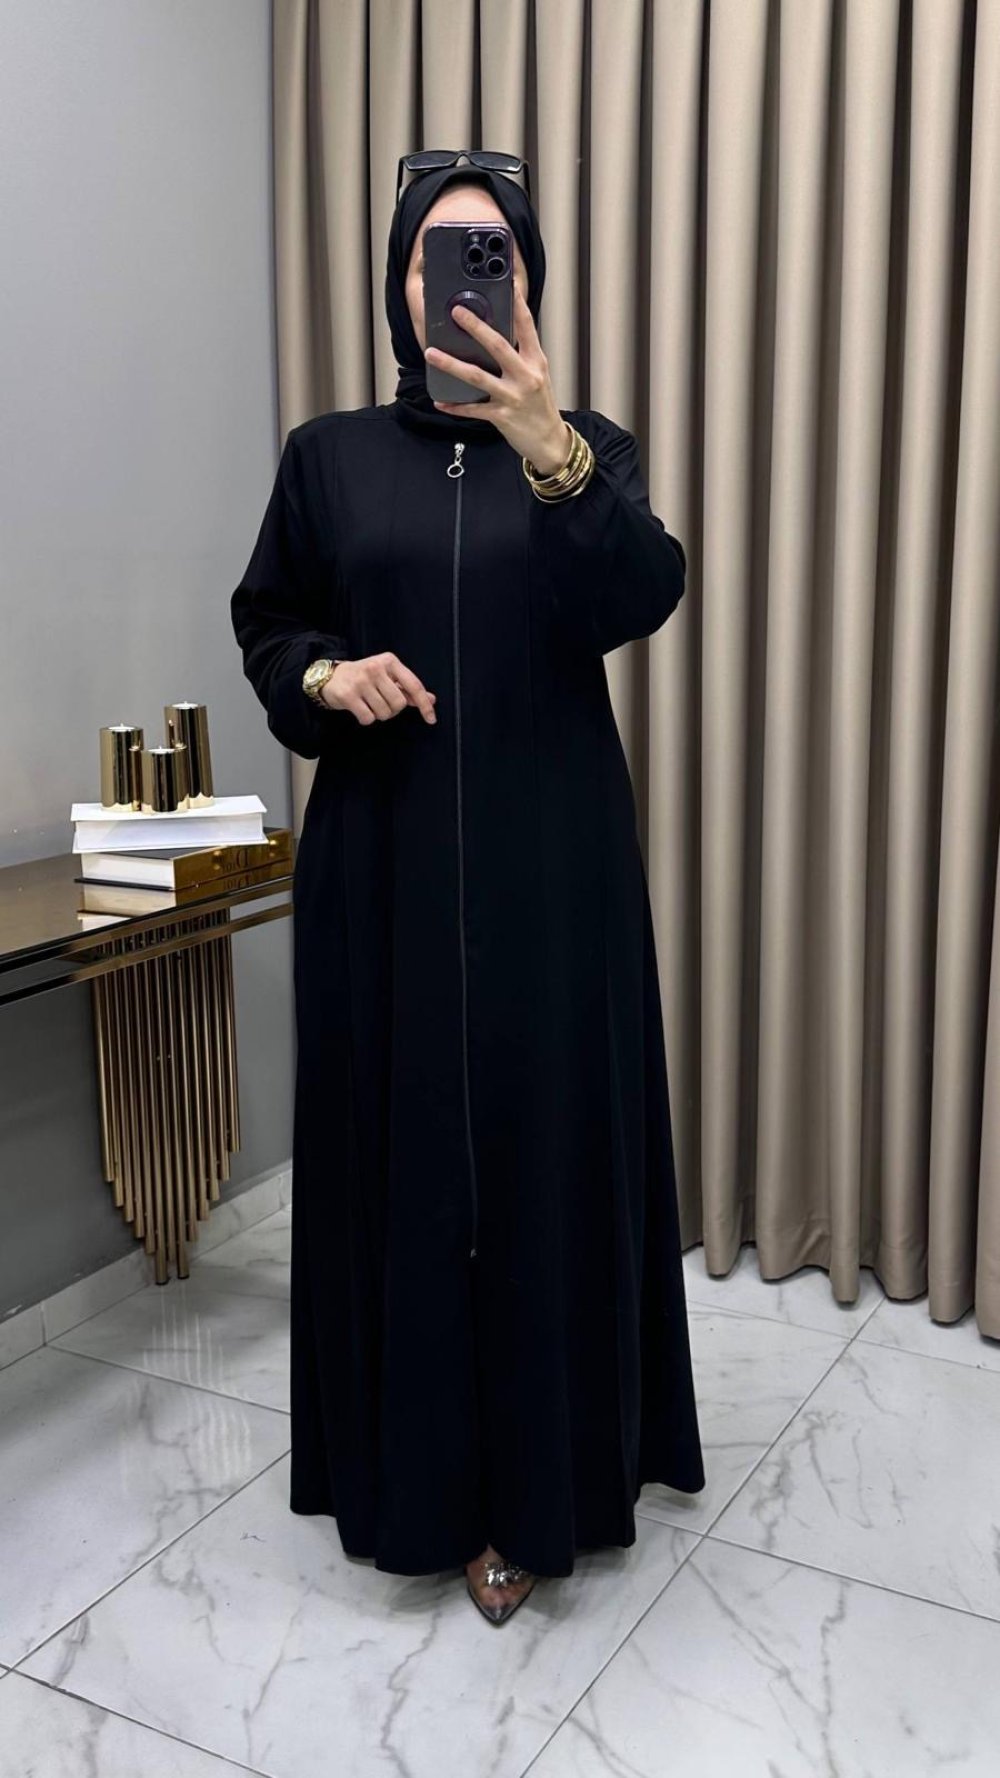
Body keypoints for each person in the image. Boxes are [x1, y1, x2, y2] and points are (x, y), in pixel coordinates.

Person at [230, 156, 705, 1627]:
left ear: (531, 280)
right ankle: (414, 1482)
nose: (466, 273)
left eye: (494, 250)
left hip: (553, 868)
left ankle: (539, 1493)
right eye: (441, 251)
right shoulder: (327, 458)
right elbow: (269, 623)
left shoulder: (586, 448)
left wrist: (549, 445)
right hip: (379, 865)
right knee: (404, 1160)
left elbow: (639, 593)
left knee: (545, 1157)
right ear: (400, 282)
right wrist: (325, 676)